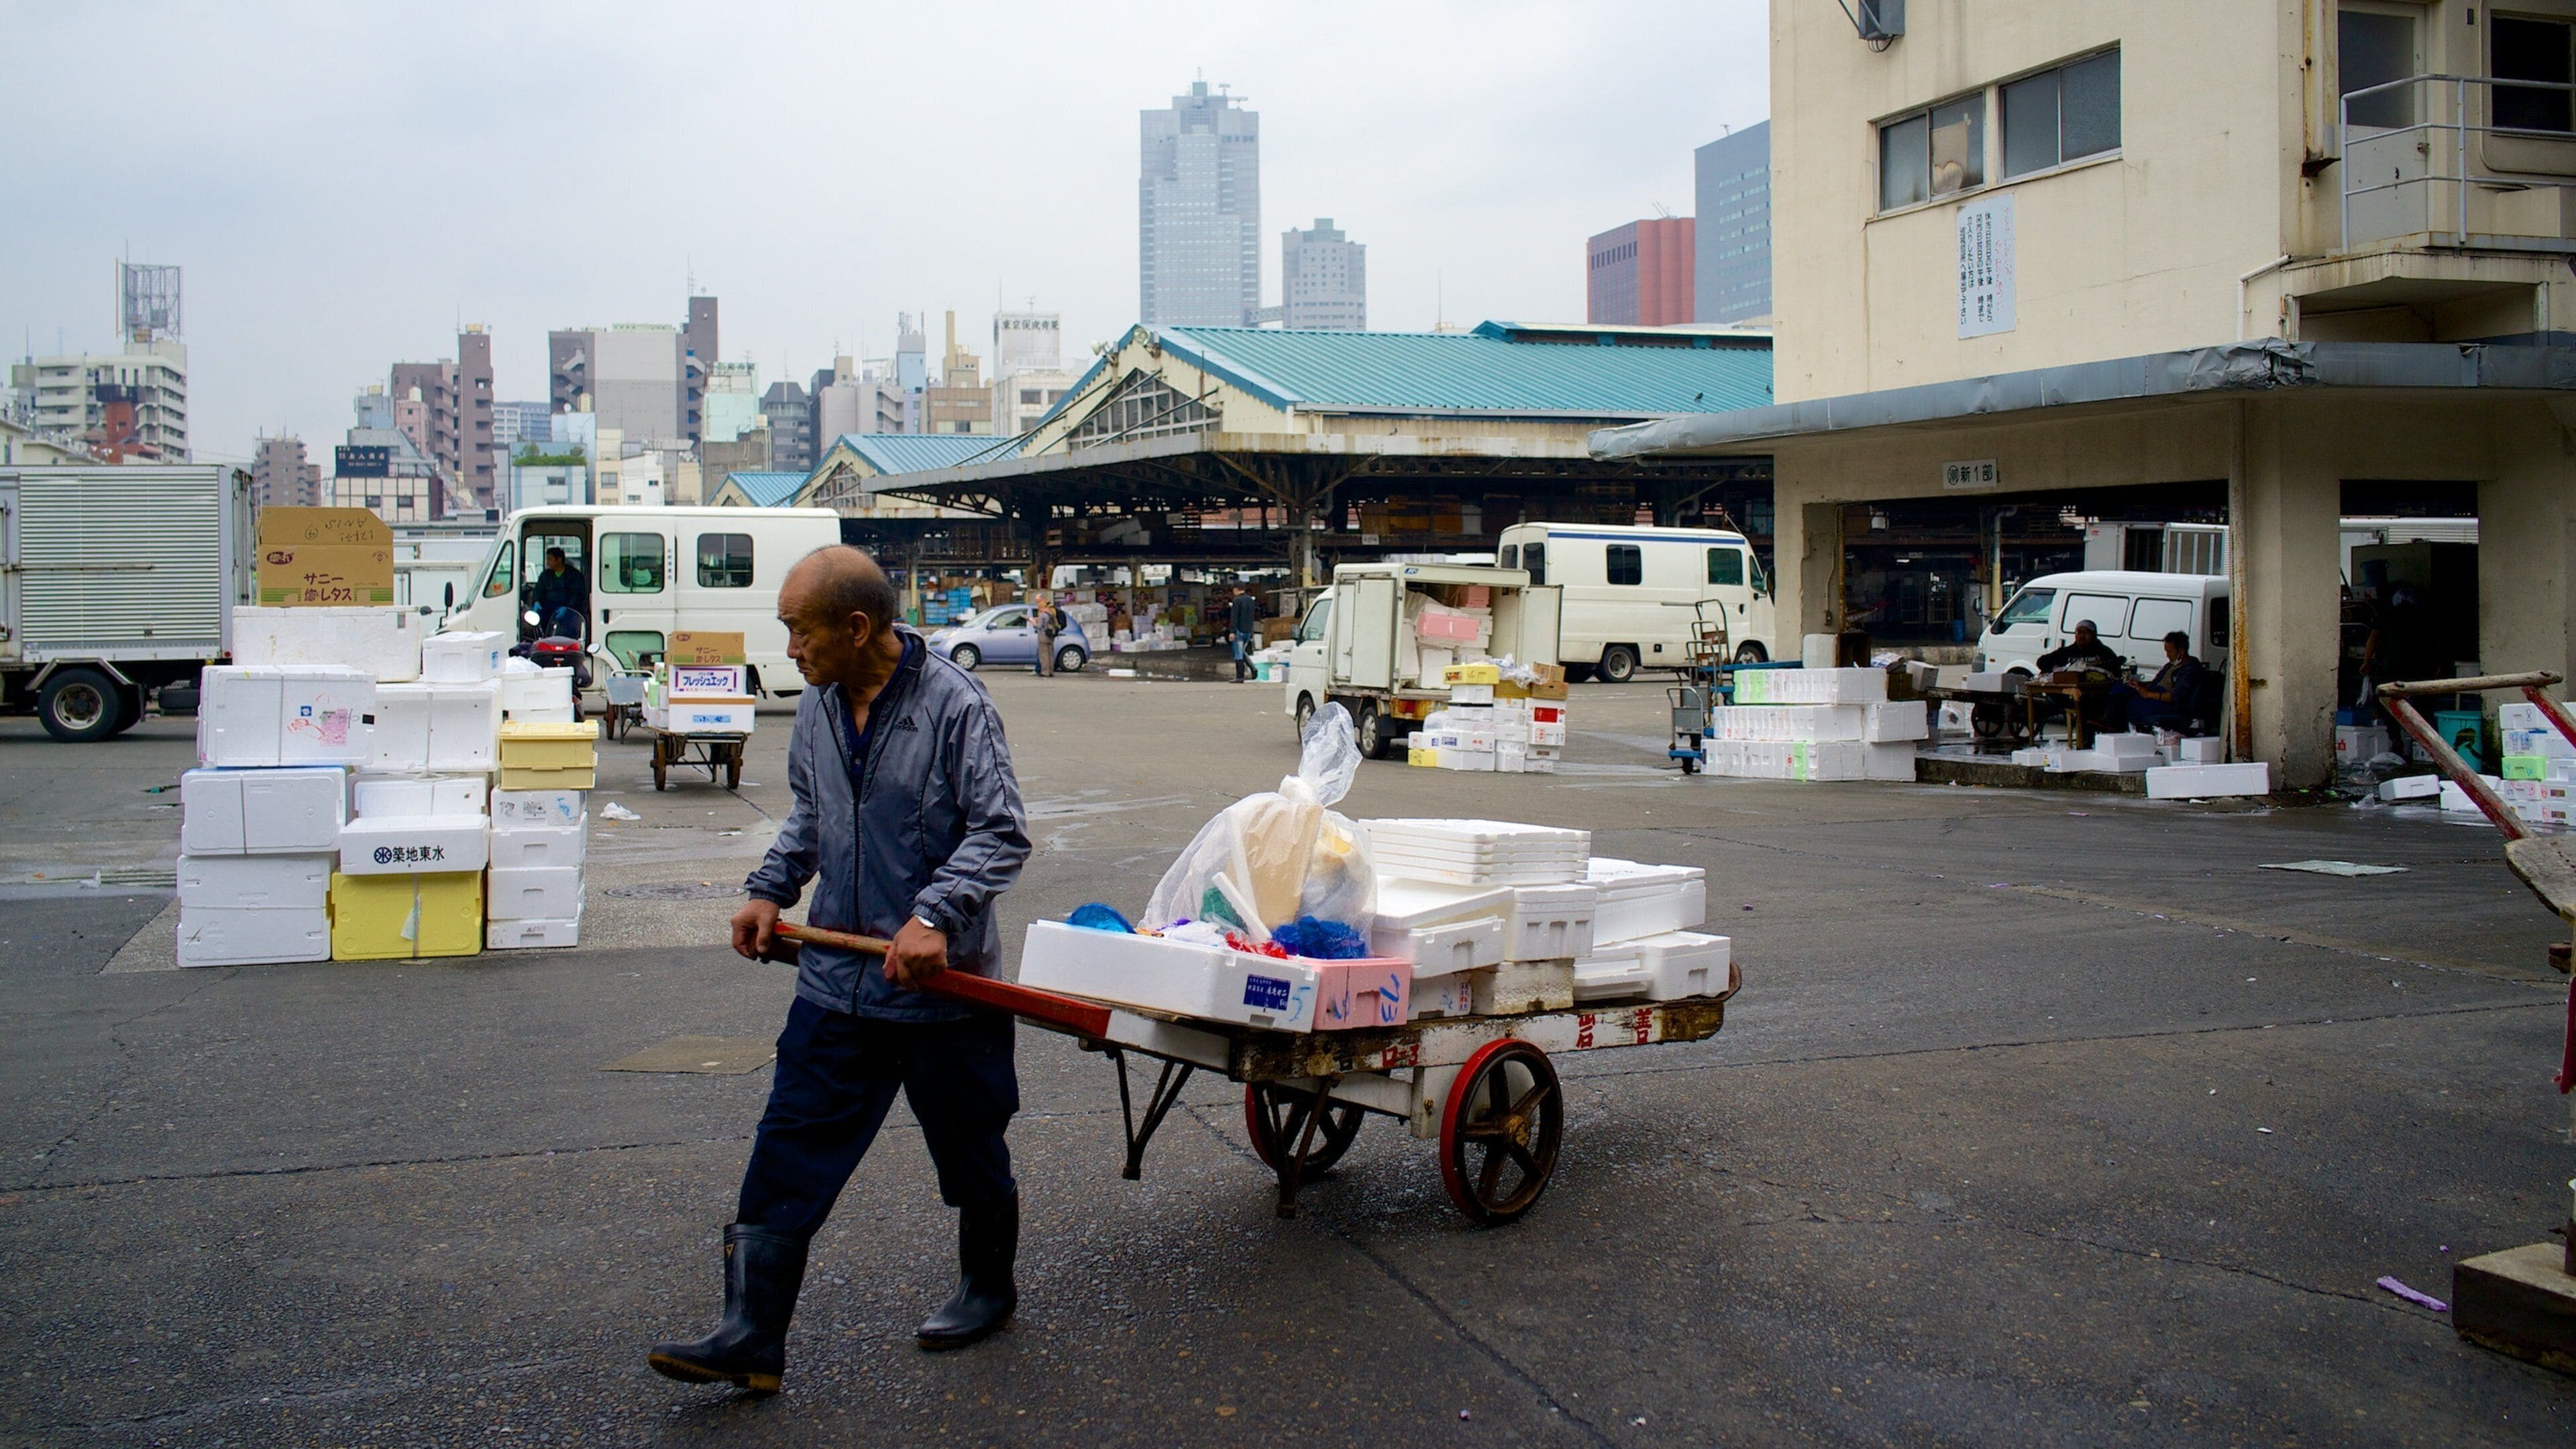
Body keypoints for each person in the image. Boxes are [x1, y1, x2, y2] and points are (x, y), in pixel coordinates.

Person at [649, 545, 1032, 1393]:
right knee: (789, 1145)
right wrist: (768, 889)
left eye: (800, 630)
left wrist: (935, 916)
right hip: (837, 981)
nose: (790, 649)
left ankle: (987, 1285)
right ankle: (751, 1335)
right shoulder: (820, 706)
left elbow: (1000, 830)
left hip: (943, 992)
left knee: (970, 1148)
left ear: (858, 628)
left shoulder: (955, 708)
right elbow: (813, 814)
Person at [2111, 631, 2207, 733]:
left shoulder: (2190, 669)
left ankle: (2117, 729)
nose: (2167, 655)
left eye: (2170, 652)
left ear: (2181, 651)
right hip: (2154, 694)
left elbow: (2176, 696)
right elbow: (2155, 682)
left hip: (2167, 703)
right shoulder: (2170, 666)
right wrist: (2138, 686)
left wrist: (2149, 694)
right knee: (2119, 689)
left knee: (2129, 706)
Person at [529, 547, 588, 639]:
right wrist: (536, 601)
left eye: (550, 559)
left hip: (569, 612)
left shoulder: (574, 575)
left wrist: (568, 607)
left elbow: (578, 594)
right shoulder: (545, 575)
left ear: (559, 559)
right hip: (548, 612)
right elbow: (538, 590)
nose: (547, 562)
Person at [2037, 619, 2124, 674]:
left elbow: (2116, 669)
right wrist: (2055, 668)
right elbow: (2041, 662)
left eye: (2087, 632)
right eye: (2079, 632)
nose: (2082, 636)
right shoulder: (2067, 652)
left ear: (2094, 635)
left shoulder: (2104, 652)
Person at [1228, 585, 1260, 684]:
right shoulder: (1251, 600)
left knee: (1238, 653)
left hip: (1239, 630)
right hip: (1248, 630)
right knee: (1242, 651)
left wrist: (1232, 631)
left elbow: (1234, 617)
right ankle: (1253, 668)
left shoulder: (1237, 601)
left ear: (1235, 589)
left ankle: (1240, 676)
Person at [1030, 595, 1059, 677]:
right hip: (1051, 635)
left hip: (1043, 636)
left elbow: (1039, 627)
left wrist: (1033, 623)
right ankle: (1051, 671)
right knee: (1050, 654)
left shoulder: (1043, 615)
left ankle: (1045, 672)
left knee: (1044, 655)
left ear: (1040, 607)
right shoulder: (1051, 613)